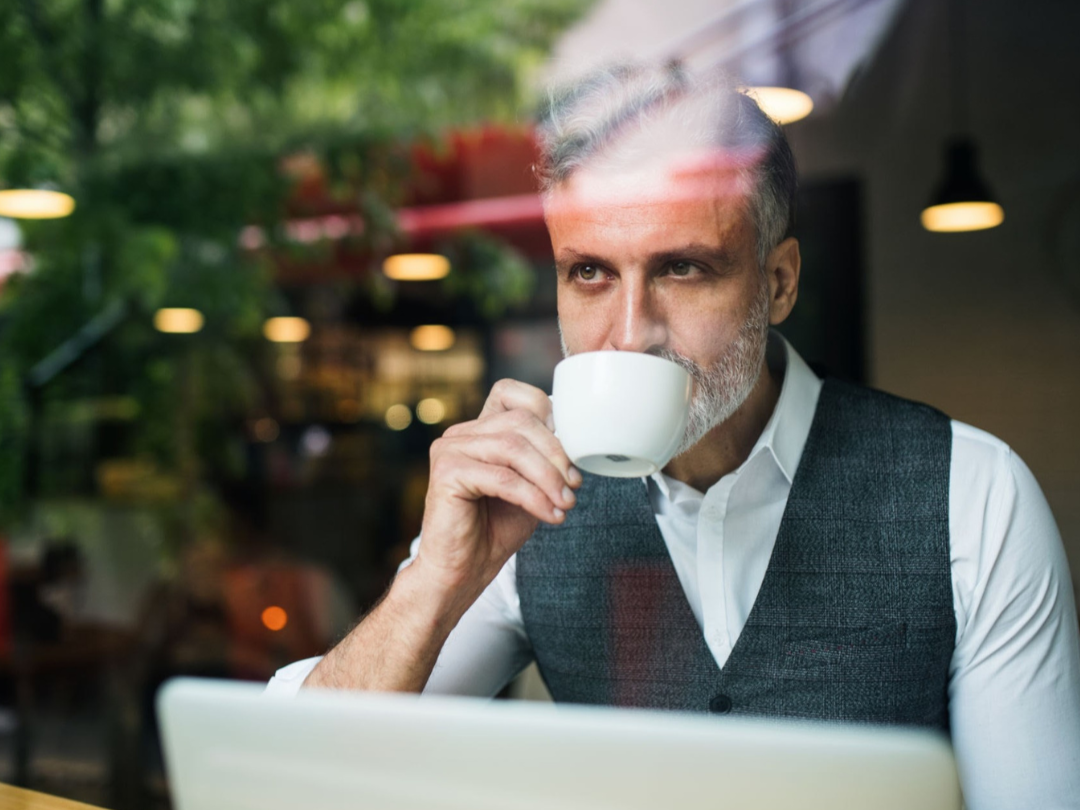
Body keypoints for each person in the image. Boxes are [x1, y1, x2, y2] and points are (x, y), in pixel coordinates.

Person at [266, 64, 1080, 809]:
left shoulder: (972, 496)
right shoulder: (524, 509)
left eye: (682, 269)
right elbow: (294, 786)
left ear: (779, 281)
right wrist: (435, 582)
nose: (629, 333)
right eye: (589, 272)